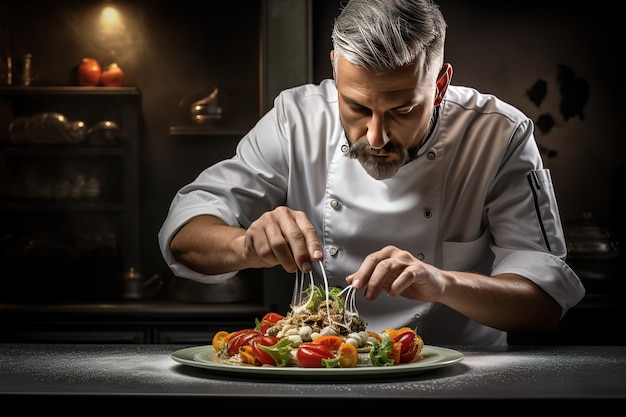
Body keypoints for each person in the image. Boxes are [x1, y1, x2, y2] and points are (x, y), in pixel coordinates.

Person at [158, 0, 585, 345]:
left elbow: (544, 301)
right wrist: (245, 245)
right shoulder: (296, 118)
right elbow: (184, 235)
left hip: (462, 381)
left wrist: (441, 284)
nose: (376, 137)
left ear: (439, 85)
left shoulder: (499, 135)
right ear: (335, 70)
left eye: (402, 110)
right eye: (358, 108)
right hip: (317, 371)